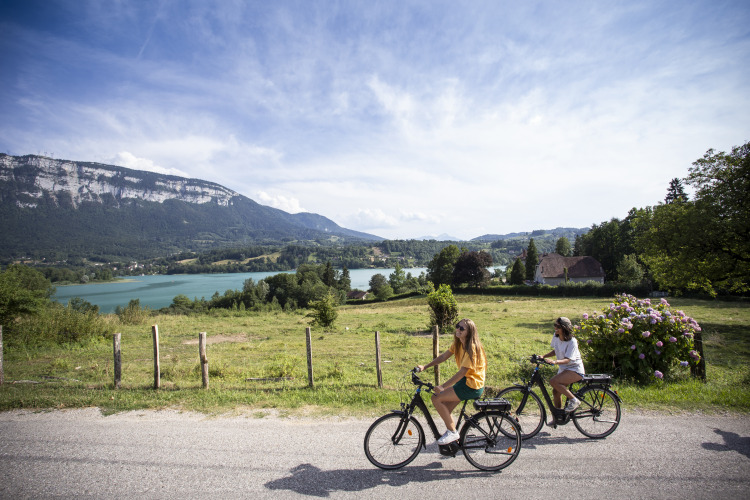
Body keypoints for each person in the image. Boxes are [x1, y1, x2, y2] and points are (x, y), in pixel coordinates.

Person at [416, 318, 487, 445]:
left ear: (469, 332)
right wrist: (425, 367)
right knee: (446, 409)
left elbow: (462, 372)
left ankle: (453, 432)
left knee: (436, 398)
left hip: (472, 385)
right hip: (467, 381)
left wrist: (443, 387)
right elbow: (443, 356)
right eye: (457, 326)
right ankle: (453, 436)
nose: (458, 329)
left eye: (462, 328)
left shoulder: (472, 347)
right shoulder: (458, 344)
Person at [540, 317, 585, 412]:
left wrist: (555, 362)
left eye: (558, 326)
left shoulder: (572, 342)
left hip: (575, 369)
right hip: (564, 369)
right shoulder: (556, 337)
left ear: (564, 328)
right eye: (555, 325)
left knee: (554, 381)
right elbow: (556, 350)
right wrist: (543, 356)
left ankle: (574, 401)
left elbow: (568, 359)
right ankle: (558, 415)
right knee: (556, 392)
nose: (555, 328)